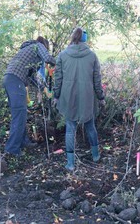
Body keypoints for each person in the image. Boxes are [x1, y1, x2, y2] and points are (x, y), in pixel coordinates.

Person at [53, 27, 105, 171]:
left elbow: (57, 79)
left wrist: (56, 96)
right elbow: (97, 80)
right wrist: (101, 97)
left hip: (68, 97)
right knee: (90, 126)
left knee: (70, 128)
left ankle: (70, 164)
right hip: (88, 97)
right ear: (85, 40)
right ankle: (95, 156)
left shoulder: (62, 55)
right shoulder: (92, 56)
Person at [3, 36, 56, 157]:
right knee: (19, 115)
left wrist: (44, 88)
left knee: (20, 114)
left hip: (10, 80)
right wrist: (59, 63)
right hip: (15, 81)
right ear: (44, 45)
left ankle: (24, 141)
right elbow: (48, 58)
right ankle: (12, 149)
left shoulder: (28, 52)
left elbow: (32, 77)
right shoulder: (38, 46)